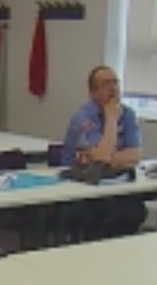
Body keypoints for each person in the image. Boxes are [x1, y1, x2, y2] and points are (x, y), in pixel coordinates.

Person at [60, 65, 147, 238]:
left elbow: (135, 155)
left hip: (114, 184)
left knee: (135, 211)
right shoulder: (83, 117)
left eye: (115, 83)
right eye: (107, 84)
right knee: (102, 215)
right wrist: (111, 119)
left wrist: (107, 157)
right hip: (80, 188)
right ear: (93, 92)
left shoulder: (128, 114)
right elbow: (102, 158)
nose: (113, 88)